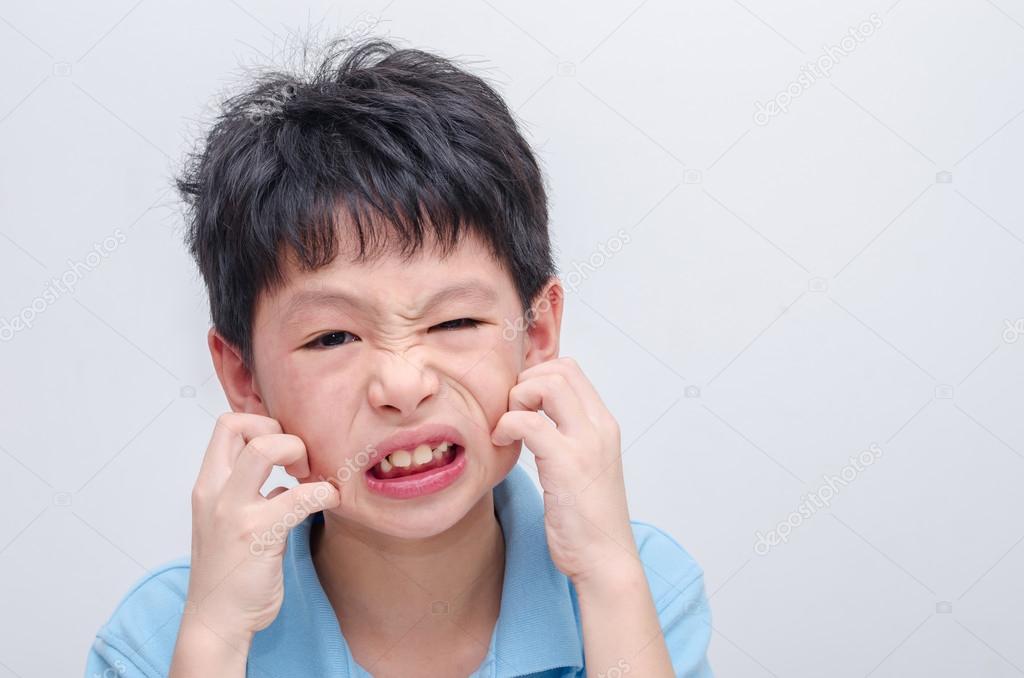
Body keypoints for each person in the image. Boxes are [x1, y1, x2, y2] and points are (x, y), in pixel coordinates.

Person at [84, 35, 713, 678]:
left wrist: (607, 577)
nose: (403, 385)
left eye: (456, 320)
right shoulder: (161, 636)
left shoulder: (636, 586)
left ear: (537, 333)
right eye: (333, 337)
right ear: (244, 376)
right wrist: (215, 637)